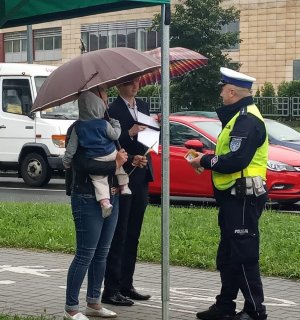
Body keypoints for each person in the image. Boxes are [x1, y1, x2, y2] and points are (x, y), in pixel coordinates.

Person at [189, 67, 268, 320]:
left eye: (223, 88)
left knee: (243, 255)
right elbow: (229, 155)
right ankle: (225, 306)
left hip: (243, 197)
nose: (221, 93)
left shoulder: (247, 120)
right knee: (228, 255)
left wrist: (205, 161)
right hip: (232, 196)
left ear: (232, 91)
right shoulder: (238, 118)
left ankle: (256, 311)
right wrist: (209, 159)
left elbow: (236, 160)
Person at [101, 77, 154, 306]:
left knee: (133, 233)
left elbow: (149, 136)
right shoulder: (112, 110)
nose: (136, 86)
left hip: (141, 172)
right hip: (123, 174)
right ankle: (111, 288)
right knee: (119, 233)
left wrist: (152, 135)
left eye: (138, 82)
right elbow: (110, 141)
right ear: (119, 86)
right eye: (131, 83)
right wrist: (130, 133)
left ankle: (126, 284)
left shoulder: (142, 106)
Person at [62, 87, 131, 218]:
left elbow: (116, 147)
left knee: (107, 239)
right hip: (87, 196)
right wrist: (115, 163)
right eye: (104, 102)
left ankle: (107, 200)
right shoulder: (79, 128)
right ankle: (121, 188)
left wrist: (132, 159)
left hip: (113, 194)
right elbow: (83, 165)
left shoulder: (101, 124)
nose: (107, 106)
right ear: (96, 106)